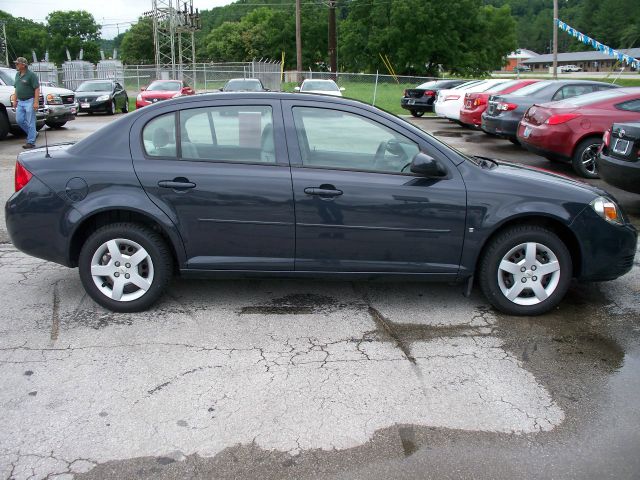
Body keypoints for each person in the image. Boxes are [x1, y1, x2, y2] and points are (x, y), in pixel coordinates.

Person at [12, 57, 40, 149]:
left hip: (30, 101)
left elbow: (36, 88)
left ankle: (30, 142)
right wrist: (14, 100)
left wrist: (36, 102)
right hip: (20, 101)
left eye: (17, 64)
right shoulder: (17, 75)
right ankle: (33, 133)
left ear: (23, 65)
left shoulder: (31, 75)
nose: (16, 65)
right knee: (19, 120)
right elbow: (16, 88)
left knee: (31, 122)